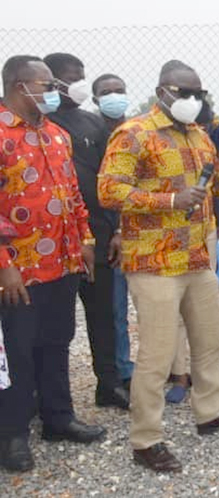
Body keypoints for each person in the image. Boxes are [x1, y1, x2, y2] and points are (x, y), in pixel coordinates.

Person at [98, 60, 219, 473]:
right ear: (163, 92)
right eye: (185, 93)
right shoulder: (133, 134)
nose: (193, 101)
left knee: (209, 342)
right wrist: (168, 201)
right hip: (154, 264)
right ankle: (146, 439)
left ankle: (211, 413)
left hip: (195, 259)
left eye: (198, 94)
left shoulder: (198, 135)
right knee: (156, 356)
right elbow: (108, 190)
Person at [0, 55, 105, 473]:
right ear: (18, 86)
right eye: (46, 85)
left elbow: (74, 195)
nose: (53, 93)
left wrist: (87, 240)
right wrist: (3, 264)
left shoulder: (57, 135)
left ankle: (58, 419)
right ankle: (13, 435)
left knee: (57, 342)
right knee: (18, 352)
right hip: (17, 271)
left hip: (62, 263)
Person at [45, 54, 129, 410]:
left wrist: (118, 230)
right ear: (52, 83)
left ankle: (108, 385)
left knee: (104, 318)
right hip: (54, 245)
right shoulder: (38, 126)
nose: (79, 83)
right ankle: (46, 398)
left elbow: (114, 180)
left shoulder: (93, 124)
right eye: (70, 78)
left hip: (99, 236)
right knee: (53, 328)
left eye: (82, 77)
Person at [165, 97, 219, 404]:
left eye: (196, 92)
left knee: (204, 314)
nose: (189, 98)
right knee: (174, 311)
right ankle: (179, 376)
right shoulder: (143, 135)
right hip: (164, 237)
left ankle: (209, 389)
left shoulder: (209, 129)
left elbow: (217, 179)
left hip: (202, 233)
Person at [92, 73, 135, 390]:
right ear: (95, 100)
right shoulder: (90, 134)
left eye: (119, 90)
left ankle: (158, 369)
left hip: (144, 232)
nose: (114, 96)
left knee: (155, 309)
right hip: (112, 235)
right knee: (116, 309)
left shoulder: (137, 131)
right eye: (106, 92)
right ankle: (123, 371)